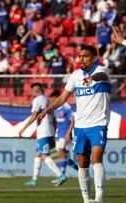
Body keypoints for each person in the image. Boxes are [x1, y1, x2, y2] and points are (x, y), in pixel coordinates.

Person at [37, 45, 111, 203]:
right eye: (80, 56)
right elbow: (62, 98)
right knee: (82, 163)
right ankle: (86, 199)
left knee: (96, 158)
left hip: (98, 124)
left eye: (85, 56)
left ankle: (99, 198)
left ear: (93, 58)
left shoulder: (102, 70)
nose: (81, 59)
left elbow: (101, 77)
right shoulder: (75, 75)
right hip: (80, 126)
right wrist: (46, 111)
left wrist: (92, 79)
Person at [19, 83, 67, 187]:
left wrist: (23, 128)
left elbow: (35, 115)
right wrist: (54, 131)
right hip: (49, 131)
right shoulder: (48, 101)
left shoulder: (37, 100)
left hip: (43, 132)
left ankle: (60, 175)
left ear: (36, 91)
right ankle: (34, 179)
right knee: (38, 154)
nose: (32, 94)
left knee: (44, 155)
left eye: (33, 91)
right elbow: (53, 118)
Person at [50, 90, 78, 180]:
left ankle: (61, 176)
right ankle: (79, 170)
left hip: (65, 134)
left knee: (61, 153)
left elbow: (72, 121)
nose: (53, 101)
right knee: (63, 156)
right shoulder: (55, 109)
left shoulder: (66, 107)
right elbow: (55, 121)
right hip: (59, 134)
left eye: (54, 99)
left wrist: (68, 134)